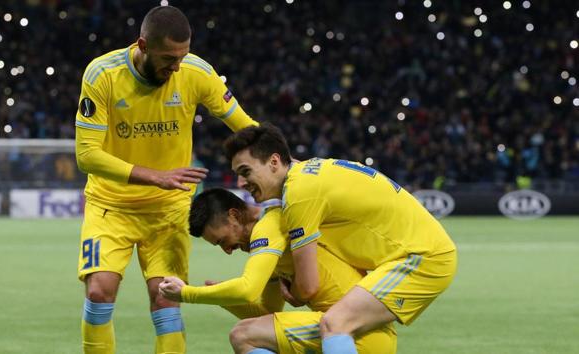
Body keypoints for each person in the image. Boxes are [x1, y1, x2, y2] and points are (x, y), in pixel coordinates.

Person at [74, 6, 258, 354]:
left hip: (169, 208)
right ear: (142, 44)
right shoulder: (102, 75)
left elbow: (246, 127)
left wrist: (284, 163)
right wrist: (155, 176)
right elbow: (86, 155)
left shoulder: (195, 72)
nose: (176, 66)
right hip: (109, 205)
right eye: (168, 58)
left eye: (182, 56)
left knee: (166, 298)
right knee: (99, 292)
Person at [222, 123, 457, 354]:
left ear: (274, 162)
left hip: (422, 258)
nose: (241, 183)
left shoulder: (299, 194)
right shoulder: (310, 174)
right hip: (417, 252)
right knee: (250, 334)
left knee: (335, 324)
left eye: (245, 172)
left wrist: (292, 289)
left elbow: (308, 287)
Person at [158, 188, 396, 354]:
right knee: (253, 334)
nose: (228, 251)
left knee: (242, 335)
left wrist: (187, 293)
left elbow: (247, 289)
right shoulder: (270, 246)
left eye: (222, 241)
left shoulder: (268, 227)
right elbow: (268, 311)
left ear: (234, 215)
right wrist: (221, 298)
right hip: (352, 329)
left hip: (352, 333)